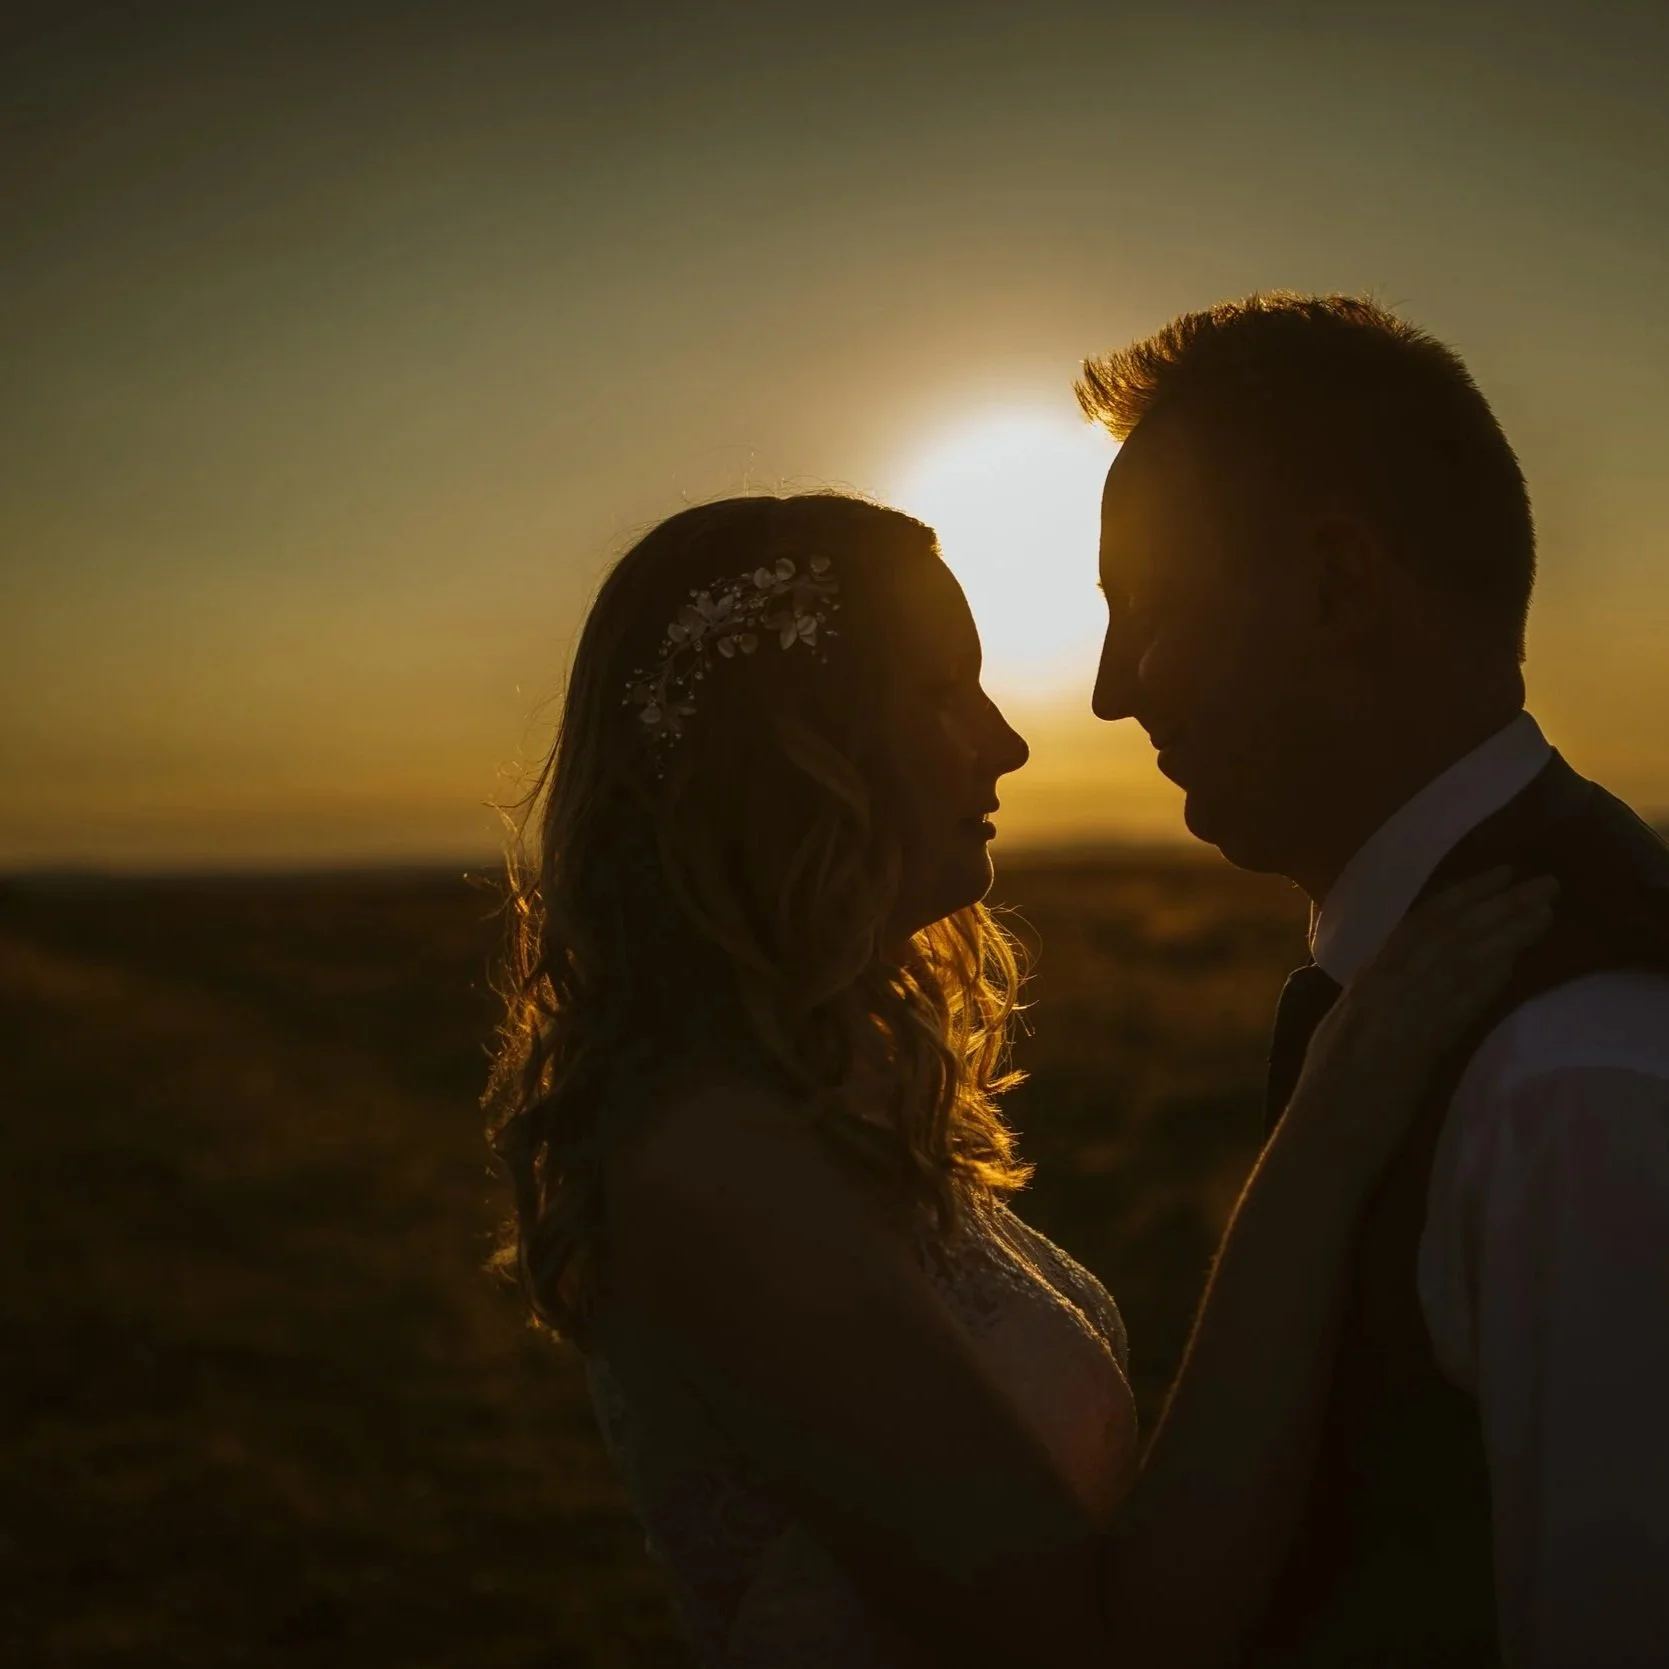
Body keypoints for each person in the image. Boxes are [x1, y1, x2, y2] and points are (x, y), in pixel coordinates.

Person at [484, 490, 1554, 1667]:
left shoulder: (842, 1091)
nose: (1007, 740)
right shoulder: (715, 1165)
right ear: (792, 748)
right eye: (945, 691)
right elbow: (1097, 1638)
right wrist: (1329, 1131)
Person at [1078, 291, 1669, 1668]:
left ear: (1337, 589)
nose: (1109, 691)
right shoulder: (1480, 997)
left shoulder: (1572, 1080)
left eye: (1145, 614)